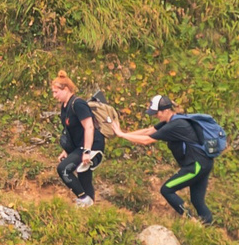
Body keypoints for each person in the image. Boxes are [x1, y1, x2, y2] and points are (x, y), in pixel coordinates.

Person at [116, 93, 223, 224]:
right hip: (204, 163)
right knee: (197, 200)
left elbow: (146, 140)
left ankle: (190, 221)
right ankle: (208, 230)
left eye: (157, 113)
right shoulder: (172, 120)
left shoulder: (175, 125)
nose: (155, 116)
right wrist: (122, 134)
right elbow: (148, 131)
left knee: (167, 189)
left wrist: (122, 135)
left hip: (196, 165)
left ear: (166, 110)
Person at [50, 72, 101, 205]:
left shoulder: (78, 104)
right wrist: (67, 151)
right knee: (83, 175)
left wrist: (87, 151)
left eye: (56, 92)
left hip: (92, 144)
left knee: (63, 169)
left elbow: (89, 127)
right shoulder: (65, 107)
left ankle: (83, 199)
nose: (54, 96)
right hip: (80, 145)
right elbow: (71, 130)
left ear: (66, 89)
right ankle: (90, 207)